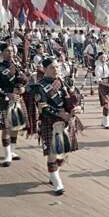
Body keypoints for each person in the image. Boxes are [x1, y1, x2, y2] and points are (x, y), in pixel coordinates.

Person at [31, 58, 83, 195]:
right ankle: (57, 182)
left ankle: (53, 173)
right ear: (45, 69)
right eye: (52, 68)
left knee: (63, 152)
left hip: (65, 121)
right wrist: (61, 115)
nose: (56, 70)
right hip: (50, 122)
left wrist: (76, 106)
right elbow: (43, 108)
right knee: (53, 153)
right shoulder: (39, 86)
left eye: (57, 67)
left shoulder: (62, 82)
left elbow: (72, 98)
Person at [0, 43, 30, 167]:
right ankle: (7, 155)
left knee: (16, 127)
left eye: (12, 51)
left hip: (17, 100)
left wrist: (23, 88)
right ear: (2, 53)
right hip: (5, 100)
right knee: (6, 128)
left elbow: (23, 82)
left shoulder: (17, 66)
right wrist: (7, 95)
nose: (11, 53)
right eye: (8, 51)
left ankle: (12, 151)